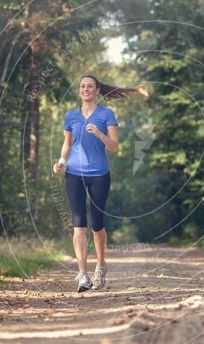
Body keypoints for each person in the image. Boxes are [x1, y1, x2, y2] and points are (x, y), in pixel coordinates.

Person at [53, 74, 145, 292]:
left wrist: (99, 133)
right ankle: (82, 274)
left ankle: (101, 266)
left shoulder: (106, 114)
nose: (86, 89)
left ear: (96, 90)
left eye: (90, 86)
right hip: (74, 173)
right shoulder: (71, 116)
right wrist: (61, 162)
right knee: (78, 224)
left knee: (97, 224)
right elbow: (67, 143)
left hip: (99, 174)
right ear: (79, 91)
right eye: (82, 86)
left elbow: (114, 146)